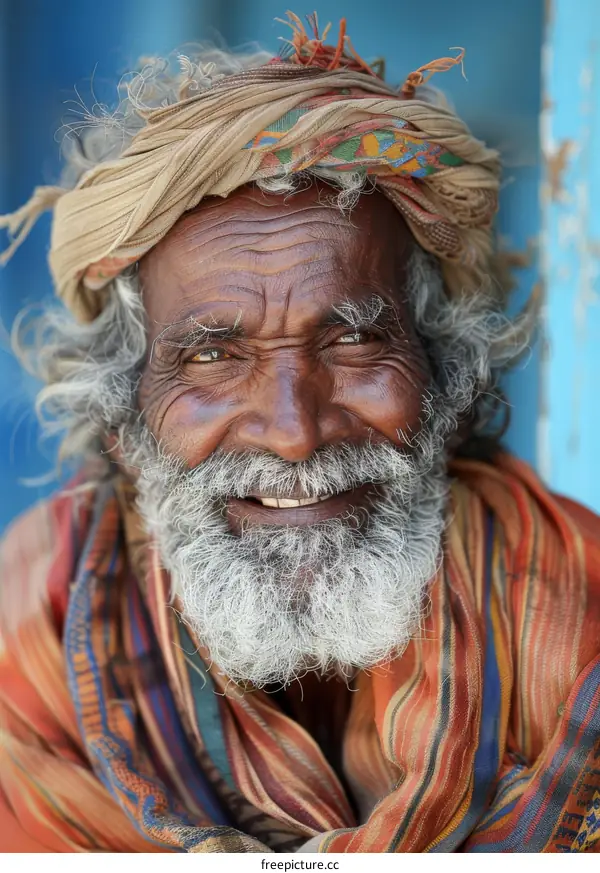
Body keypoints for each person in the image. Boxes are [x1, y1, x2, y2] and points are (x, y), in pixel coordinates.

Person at [1, 13, 599, 854]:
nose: (293, 431)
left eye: (354, 339)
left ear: (448, 382)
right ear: (122, 423)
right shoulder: (31, 649)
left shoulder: (579, 632)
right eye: (213, 355)